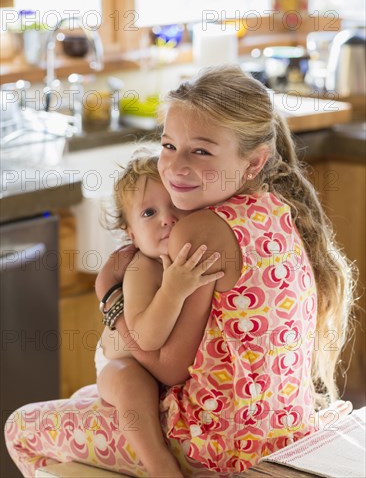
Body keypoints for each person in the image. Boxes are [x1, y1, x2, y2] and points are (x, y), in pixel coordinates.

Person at [5, 65, 355, 476]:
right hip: (277, 429)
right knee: (96, 390)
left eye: (201, 151)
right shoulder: (277, 208)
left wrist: (111, 300)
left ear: (254, 161)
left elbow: (170, 367)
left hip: (211, 444)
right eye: (169, 145)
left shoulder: (200, 228)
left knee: (20, 426)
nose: (174, 166)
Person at [95, 153, 223, 477]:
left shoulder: (188, 257)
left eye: (176, 206)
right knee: (131, 384)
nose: (167, 219)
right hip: (124, 361)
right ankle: (160, 465)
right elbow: (146, 339)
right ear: (131, 234)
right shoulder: (143, 268)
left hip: (164, 368)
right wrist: (173, 290)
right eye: (149, 213)